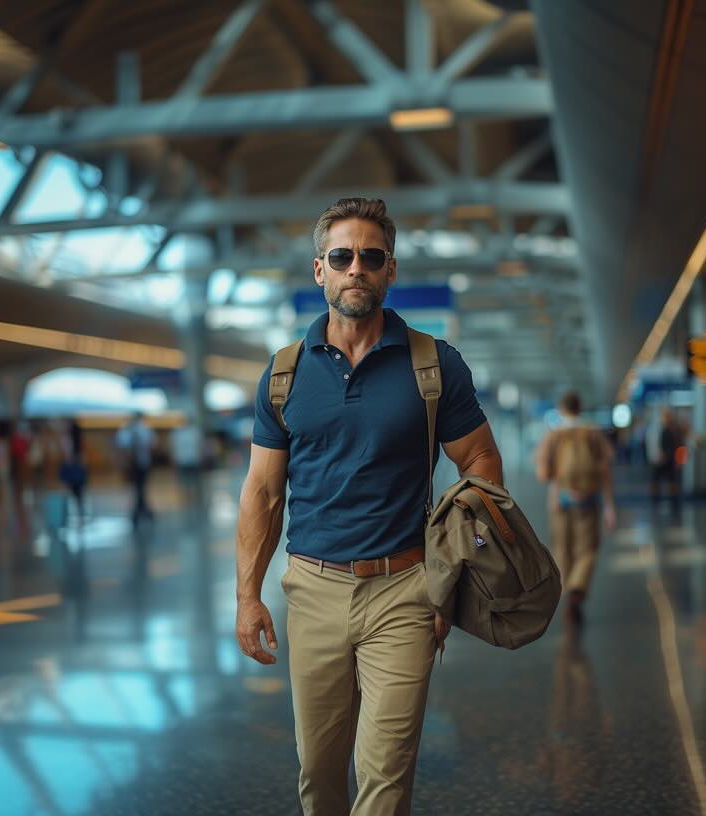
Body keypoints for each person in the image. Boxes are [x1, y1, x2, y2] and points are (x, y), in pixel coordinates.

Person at [234, 197, 503, 815]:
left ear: (389, 271)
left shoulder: (433, 364)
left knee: (385, 774)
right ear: (319, 270)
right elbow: (263, 492)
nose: (357, 266)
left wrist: (452, 578)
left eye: (371, 256)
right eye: (342, 255)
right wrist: (248, 595)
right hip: (312, 589)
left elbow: (482, 464)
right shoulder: (284, 374)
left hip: (406, 591)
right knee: (319, 771)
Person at [534, 391, 615, 627]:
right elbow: (605, 469)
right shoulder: (592, 432)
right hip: (589, 500)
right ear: (580, 408)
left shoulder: (553, 434)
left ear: (561, 409)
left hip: (561, 500)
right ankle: (578, 589)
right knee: (587, 549)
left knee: (563, 549)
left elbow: (543, 474)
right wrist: (609, 506)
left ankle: (567, 589)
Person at [115, 413, 154, 523]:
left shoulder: (136, 430)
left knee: (138, 488)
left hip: (139, 463)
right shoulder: (140, 430)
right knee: (138, 488)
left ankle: (139, 510)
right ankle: (141, 510)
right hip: (135, 464)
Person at [650, 408, 683, 509]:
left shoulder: (672, 430)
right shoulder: (664, 429)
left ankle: (673, 500)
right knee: (657, 479)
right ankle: (657, 499)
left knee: (671, 481)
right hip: (665, 458)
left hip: (669, 459)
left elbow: (677, 445)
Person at [170, 419, 206, 508]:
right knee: (187, 481)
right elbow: (174, 449)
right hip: (185, 460)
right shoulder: (180, 433)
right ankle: (190, 498)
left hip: (191, 460)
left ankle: (194, 498)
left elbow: (199, 446)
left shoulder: (190, 433)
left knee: (193, 481)